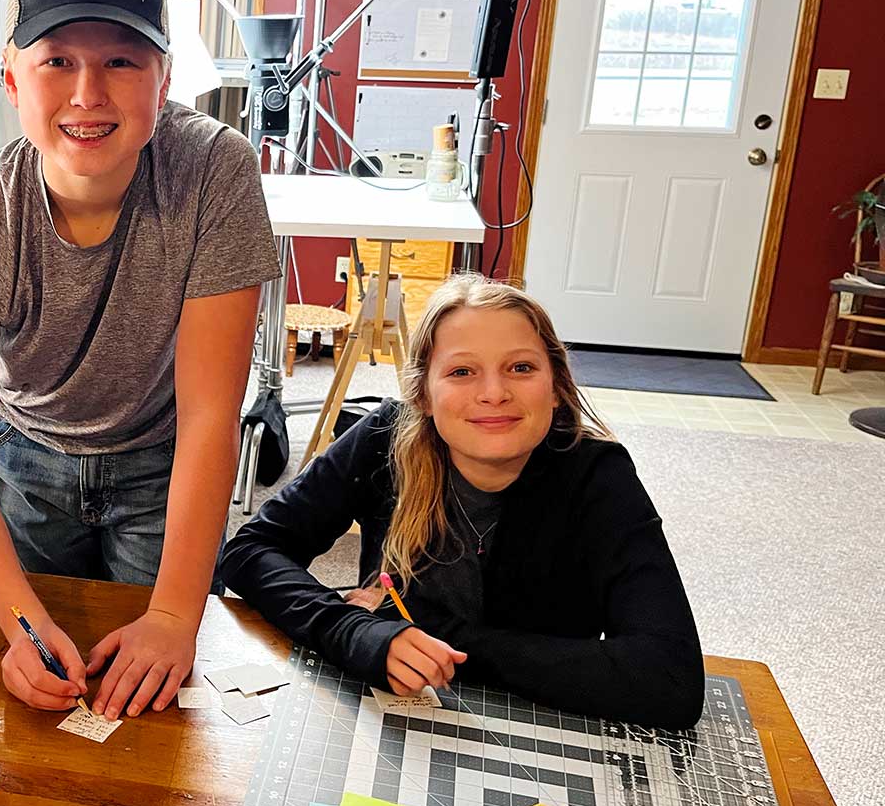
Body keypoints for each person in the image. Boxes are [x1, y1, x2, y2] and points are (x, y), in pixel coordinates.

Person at [0, 0, 280, 723]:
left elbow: (211, 416)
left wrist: (174, 616)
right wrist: (23, 623)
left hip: (163, 463)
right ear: (13, 78)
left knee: (158, 702)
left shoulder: (216, 172)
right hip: (25, 461)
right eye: (57, 62)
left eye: (121, 61)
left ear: (165, 79)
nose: (87, 94)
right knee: (8, 681)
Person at [219, 273, 704, 729]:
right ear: (423, 395)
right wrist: (352, 629)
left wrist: (432, 631)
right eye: (462, 371)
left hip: (543, 726)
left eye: (520, 368)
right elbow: (250, 551)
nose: (493, 393)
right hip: (396, 720)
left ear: (556, 387)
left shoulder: (597, 475)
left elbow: (670, 678)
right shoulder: (385, 439)